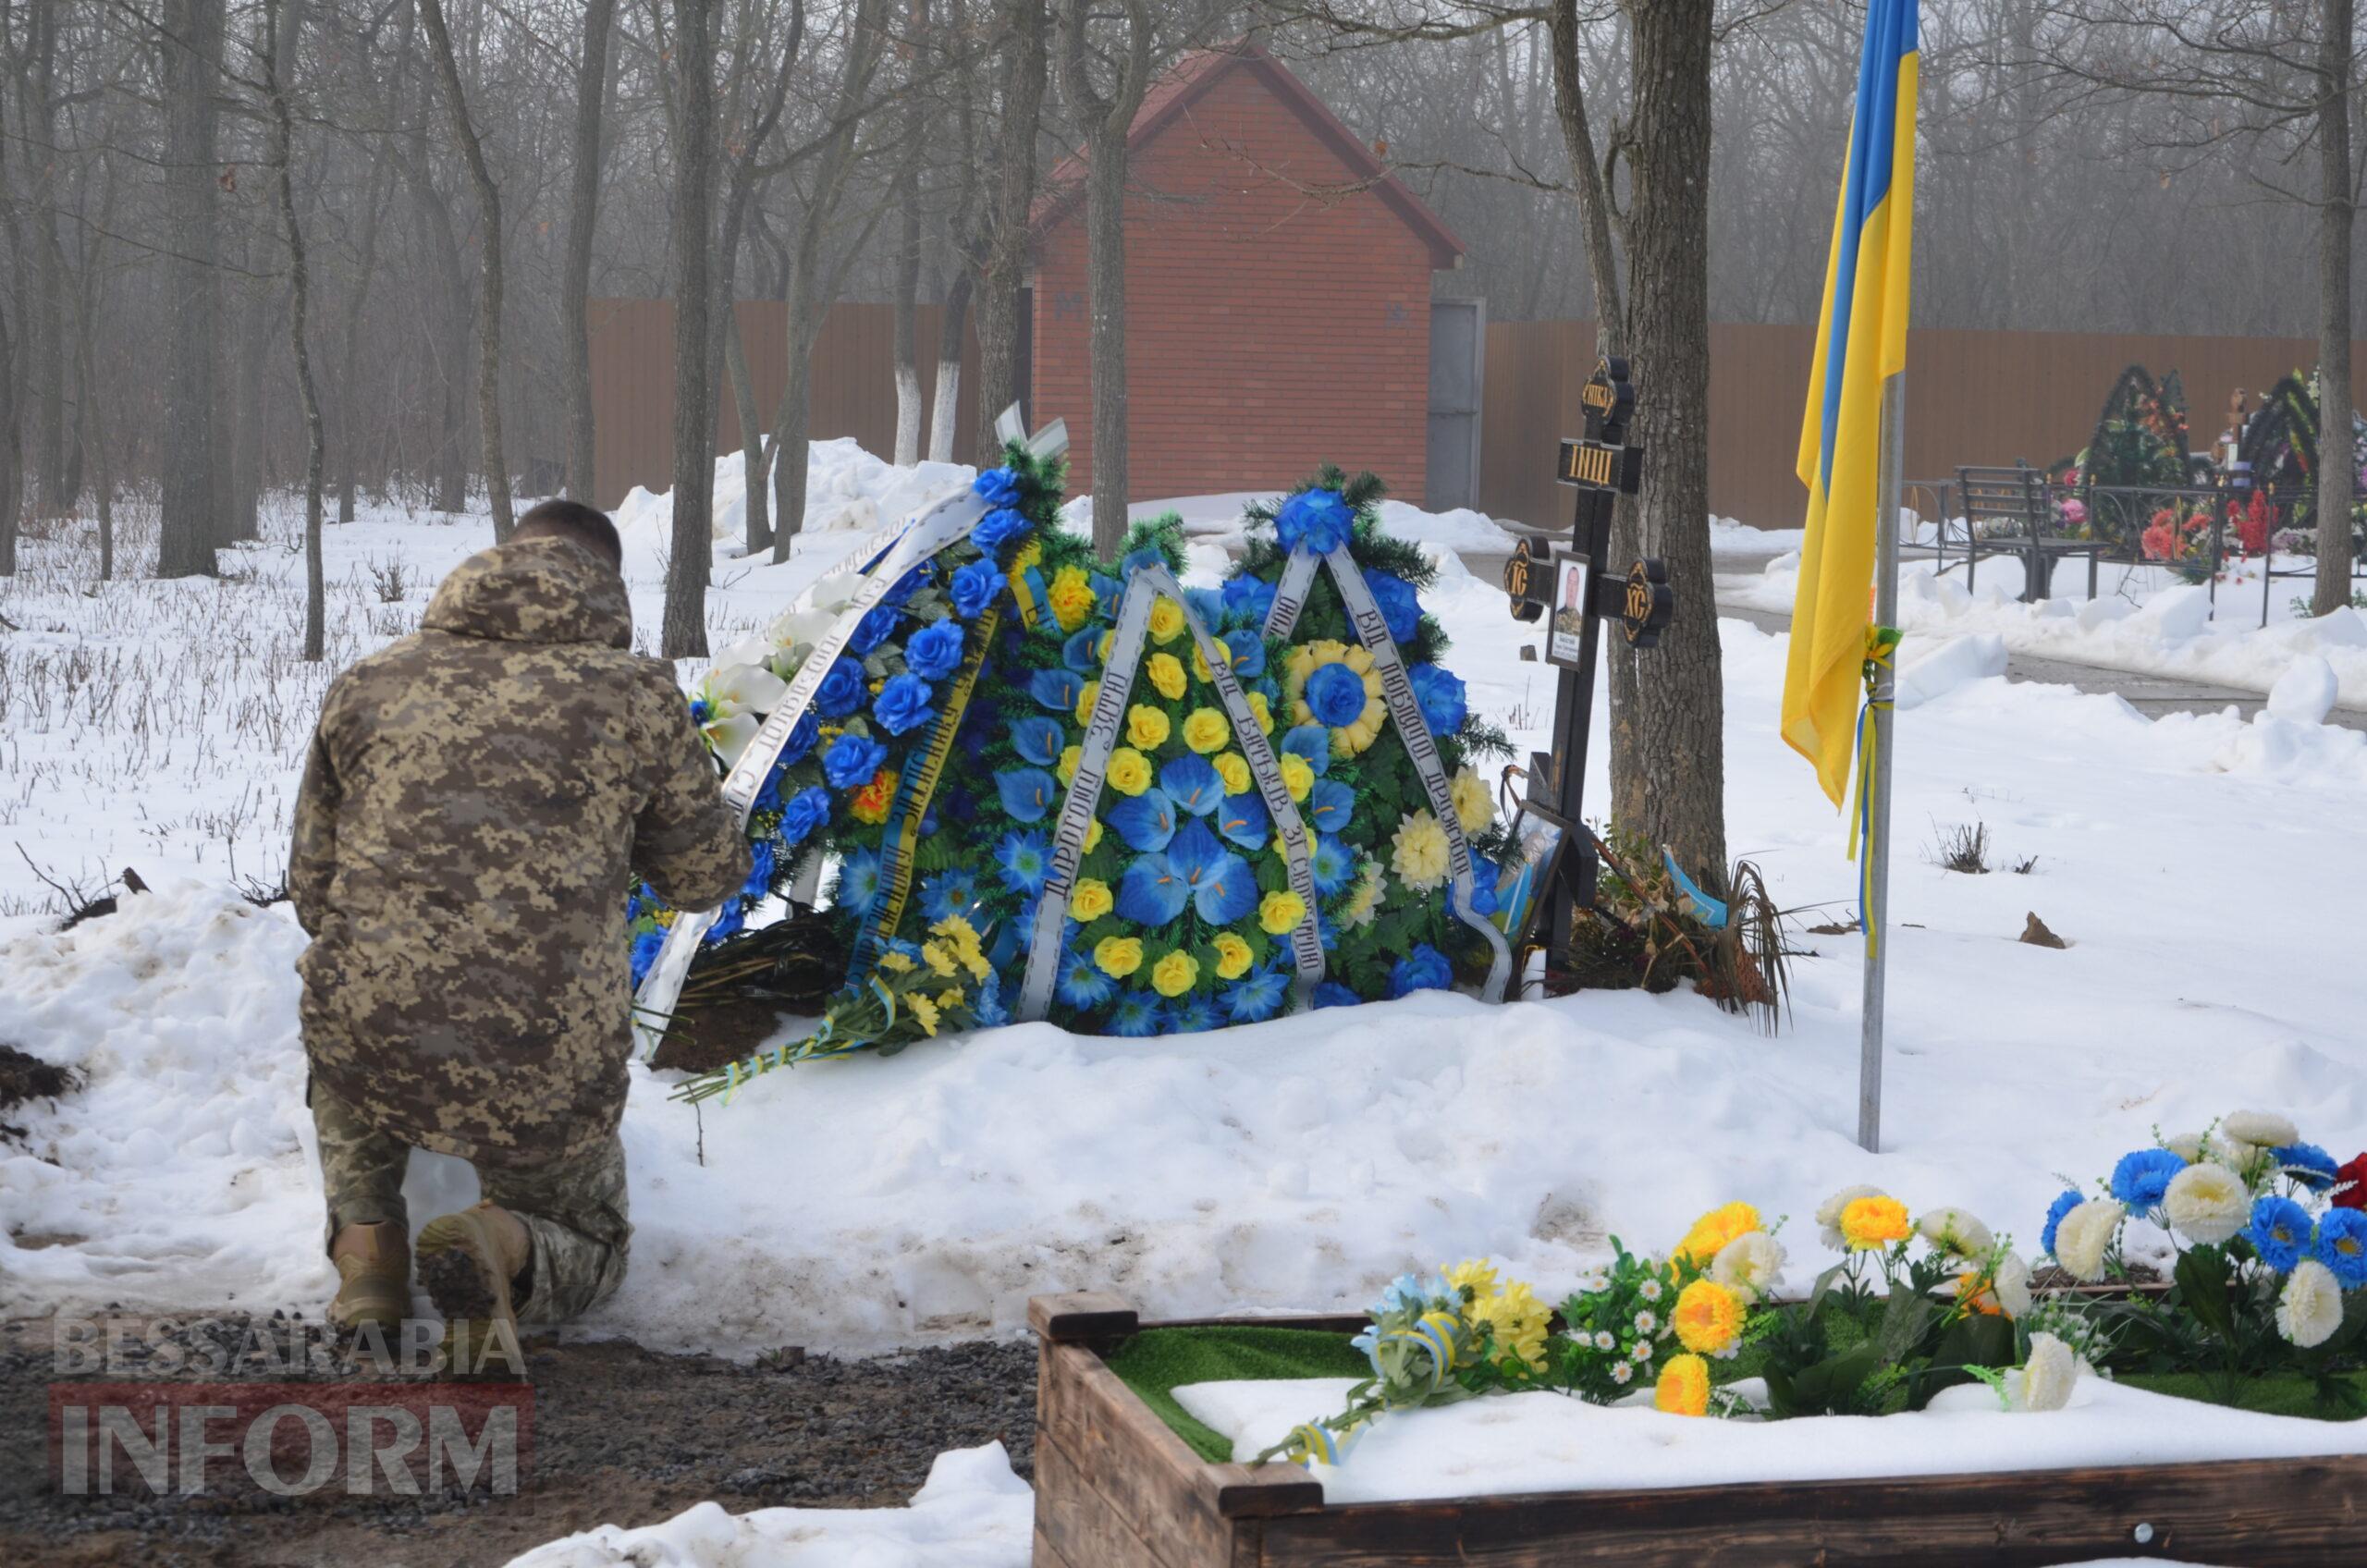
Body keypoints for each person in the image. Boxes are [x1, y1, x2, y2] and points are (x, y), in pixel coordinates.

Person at [288, 499, 748, 1366]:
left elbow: (313, 892)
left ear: (498, 560)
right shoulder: (637, 697)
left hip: (377, 1029)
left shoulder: (369, 682)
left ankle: (368, 1253)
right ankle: (502, 1243)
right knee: (596, 1242)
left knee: (347, 1013)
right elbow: (704, 878)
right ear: (605, 583)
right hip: (543, 1048)